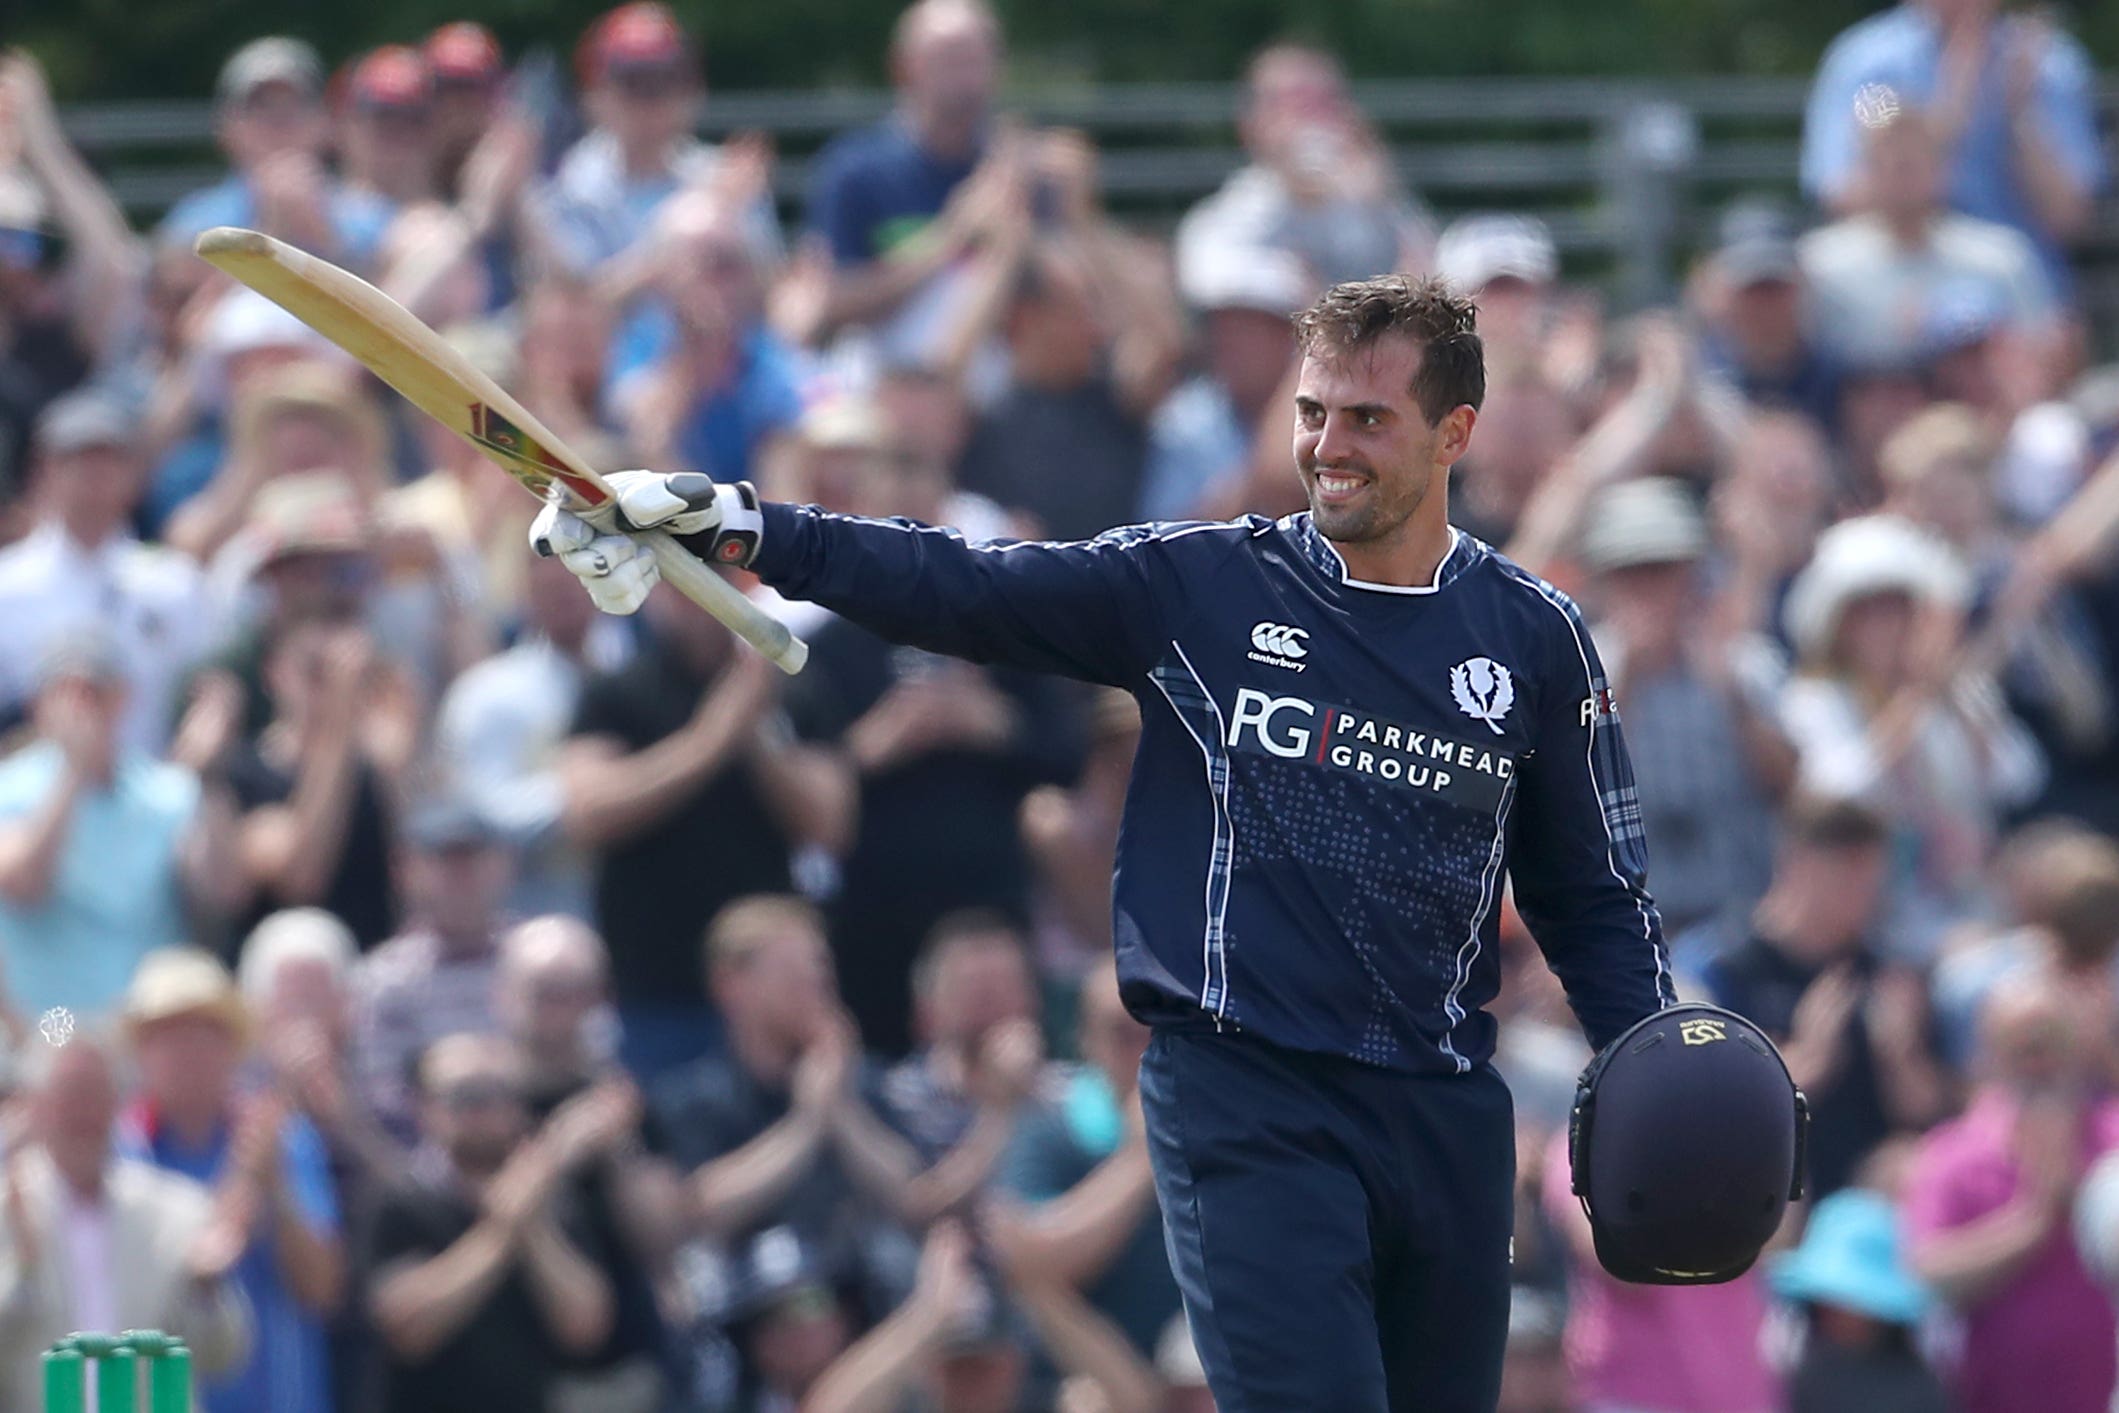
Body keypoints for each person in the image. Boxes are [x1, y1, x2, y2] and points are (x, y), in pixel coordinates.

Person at [536, 273, 1678, 1411]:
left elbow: (1592, 898)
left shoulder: (1535, 636)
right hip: (1251, 1096)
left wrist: (1657, 1075)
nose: (1327, 446)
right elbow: (961, 586)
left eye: (1367, 419)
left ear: (1455, 434)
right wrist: (743, 524)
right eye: (1311, 413)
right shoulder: (1207, 584)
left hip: (1444, 1109)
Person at [560, 585, 850, 1082]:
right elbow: (589, 812)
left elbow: (830, 824)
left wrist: (756, 734)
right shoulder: (618, 691)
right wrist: (715, 735)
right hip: (655, 984)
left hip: (768, 988)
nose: (693, 600)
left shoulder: (792, 690)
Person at [117, 948, 343, 1413]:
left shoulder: (290, 1141)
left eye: (205, 1034)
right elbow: (191, 1267)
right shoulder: (118, 1151)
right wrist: (244, 1180)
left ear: (232, 1046)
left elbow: (322, 1290)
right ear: (141, 1051)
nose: (188, 1052)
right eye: (168, 1036)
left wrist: (276, 1187)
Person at [1693, 797, 1952, 1197]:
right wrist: (1807, 1058)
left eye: (1873, 876)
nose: (1866, 892)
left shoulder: (1887, 974)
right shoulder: (1725, 970)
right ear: (1796, 862)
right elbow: (1709, 1112)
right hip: (1765, 1186)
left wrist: (1900, 1053)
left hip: (1871, 1185)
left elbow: (1926, 1112)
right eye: (1848, 872)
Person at [366, 1032, 627, 1413]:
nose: (485, 1111)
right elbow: (409, 1328)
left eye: (498, 1093)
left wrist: (533, 1226)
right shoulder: (399, 1202)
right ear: (424, 1106)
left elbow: (586, 1328)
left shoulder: (553, 1203)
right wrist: (503, 1230)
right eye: (466, 1096)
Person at [0, 1030, 252, 1411]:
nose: (83, 1110)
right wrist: (24, 1270)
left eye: (95, 1093)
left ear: (118, 1103)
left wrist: (205, 1288)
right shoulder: (7, 1208)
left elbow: (223, 1358)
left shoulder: (179, 1211)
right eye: (70, 1093)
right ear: (36, 1105)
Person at [1905, 976, 2119, 1413]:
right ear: (1989, 1054)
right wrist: (2038, 1218)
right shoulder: (1953, 1155)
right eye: (2022, 1044)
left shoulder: (2115, 1139)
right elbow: (1930, 1274)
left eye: (2051, 1040)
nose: (2039, 1059)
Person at [0, 637, 241, 1022]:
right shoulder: (9, 786)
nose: (82, 708)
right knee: (70, 1067)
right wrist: (74, 771)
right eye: (66, 693)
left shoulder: (167, 789)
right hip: (49, 1025)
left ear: (123, 699)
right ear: (37, 705)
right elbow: (24, 885)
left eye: (94, 693)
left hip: (147, 1028)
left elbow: (223, 891)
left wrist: (208, 775)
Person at [1800, 0, 2105, 291]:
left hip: (2020, 293)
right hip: (1895, 287)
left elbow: (2069, 217)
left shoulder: (2047, 63)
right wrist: (1951, 112)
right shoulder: (1868, 64)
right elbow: (1842, 199)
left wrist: (2021, 114)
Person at [0, 390, 212, 755]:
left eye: (108, 460)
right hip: (32, 799)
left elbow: (203, 692)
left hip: (150, 795)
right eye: (78, 460)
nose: (93, 475)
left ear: (133, 473)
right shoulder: (7, 584)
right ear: (46, 471)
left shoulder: (175, 582)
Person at [804, 0, 1006, 352]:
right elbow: (834, 302)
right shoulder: (857, 170)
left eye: (976, 60)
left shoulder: (1018, 167)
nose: (966, 78)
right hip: (889, 377)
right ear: (904, 67)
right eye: (950, 59)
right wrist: (952, 238)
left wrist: (1079, 221)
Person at [1799, 105, 2058, 378]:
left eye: (1907, 165)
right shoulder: (1819, 266)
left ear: (1943, 168)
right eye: (1880, 163)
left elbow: (2040, 355)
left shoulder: (2001, 259)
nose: (1896, 178)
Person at [1175, 42, 1432, 298]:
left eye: (1326, 102)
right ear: (1250, 124)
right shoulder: (1220, 222)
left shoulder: (1376, 209)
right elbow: (1219, 291)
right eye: (1291, 103)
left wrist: (1382, 200)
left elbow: (1431, 284)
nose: (1311, 120)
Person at [352, 798, 517, 1145]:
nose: (460, 876)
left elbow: (588, 1053)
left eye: (471, 859)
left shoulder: (542, 955)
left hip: (536, 1142)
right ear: (406, 872)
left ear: (501, 865)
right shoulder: (385, 978)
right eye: (443, 861)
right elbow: (381, 1093)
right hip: (431, 1167)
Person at [156, 37, 392, 271]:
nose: (279, 119)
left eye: (296, 104)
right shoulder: (194, 222)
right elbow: (184, 303)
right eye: (260, 105)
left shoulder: (370, 216)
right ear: (226, 128)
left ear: (325, 122)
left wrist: (329, 243)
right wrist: (270, 231)